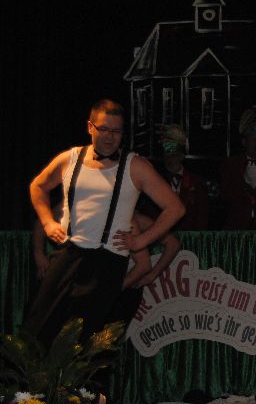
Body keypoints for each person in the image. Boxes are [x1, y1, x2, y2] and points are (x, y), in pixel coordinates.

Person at [23, 99, 185, 348]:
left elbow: (175, 208)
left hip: (107, 262)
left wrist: (140, 241)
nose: (110, 137)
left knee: (89, 343)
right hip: (67, 253)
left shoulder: (135, 166)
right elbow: (38, 186)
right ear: (90, 127)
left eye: (117, 131)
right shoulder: (70, 158)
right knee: (39, 328)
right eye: (104, 129)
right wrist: (47, 222)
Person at [154, 124, 209, 230]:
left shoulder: (197, 182)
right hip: (164, 236)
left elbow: (202, 218)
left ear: (181, 156)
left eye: (173, 154)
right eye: (166, 154)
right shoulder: (156, 182)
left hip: (190, 237)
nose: (169, 158)